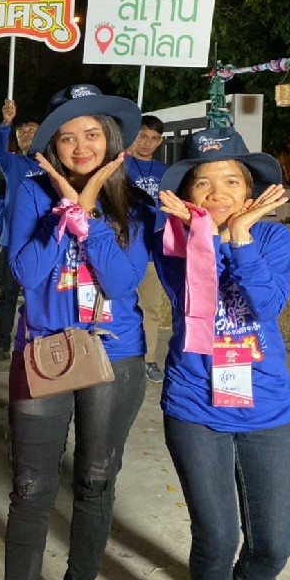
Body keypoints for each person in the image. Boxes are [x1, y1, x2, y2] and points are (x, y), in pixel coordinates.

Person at [0, 84, 154, 580]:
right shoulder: (31, 193)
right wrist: (63, 216)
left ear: (111, 140)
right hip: (43, 353)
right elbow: (26, 273)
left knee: (95, 480)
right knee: (31, 489)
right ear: (53, 147)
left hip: (114, 353)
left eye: (92, 134)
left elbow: (121, 284)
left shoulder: (136, 205)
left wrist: (89, 221)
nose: (80, 147)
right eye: (67, 137)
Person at [155, 127, 290, 580]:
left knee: (274, 546)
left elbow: (266, 305)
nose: (217, 193)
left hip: (267, 406)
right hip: (195, 404)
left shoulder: (273, 237)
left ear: (250, 192)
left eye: (231, 181)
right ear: (187, 195)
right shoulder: (171, 241)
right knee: (216, 538)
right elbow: (198, 291)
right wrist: (212, 236)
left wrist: (241, 238)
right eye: (203, 183)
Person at [0, 98, 43, 366]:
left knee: (39, 296)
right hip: (12, 241)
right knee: (7, 296)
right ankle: (2, 345)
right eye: (22, 133)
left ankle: (38, 343)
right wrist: (6, 124)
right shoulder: (13, 164)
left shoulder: (52, 164)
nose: (27, 136)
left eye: (33, 131)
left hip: (42, 241)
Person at [125, 114, 169, 383]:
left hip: (153, 248)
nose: (147, 143)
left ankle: (149, 358)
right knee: (119, 302)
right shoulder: (121, 164)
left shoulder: (165, 172)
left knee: (150, 307)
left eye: (153, 139)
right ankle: (117, 355)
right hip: (124, 245)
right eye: (142, 136)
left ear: (160, 141)